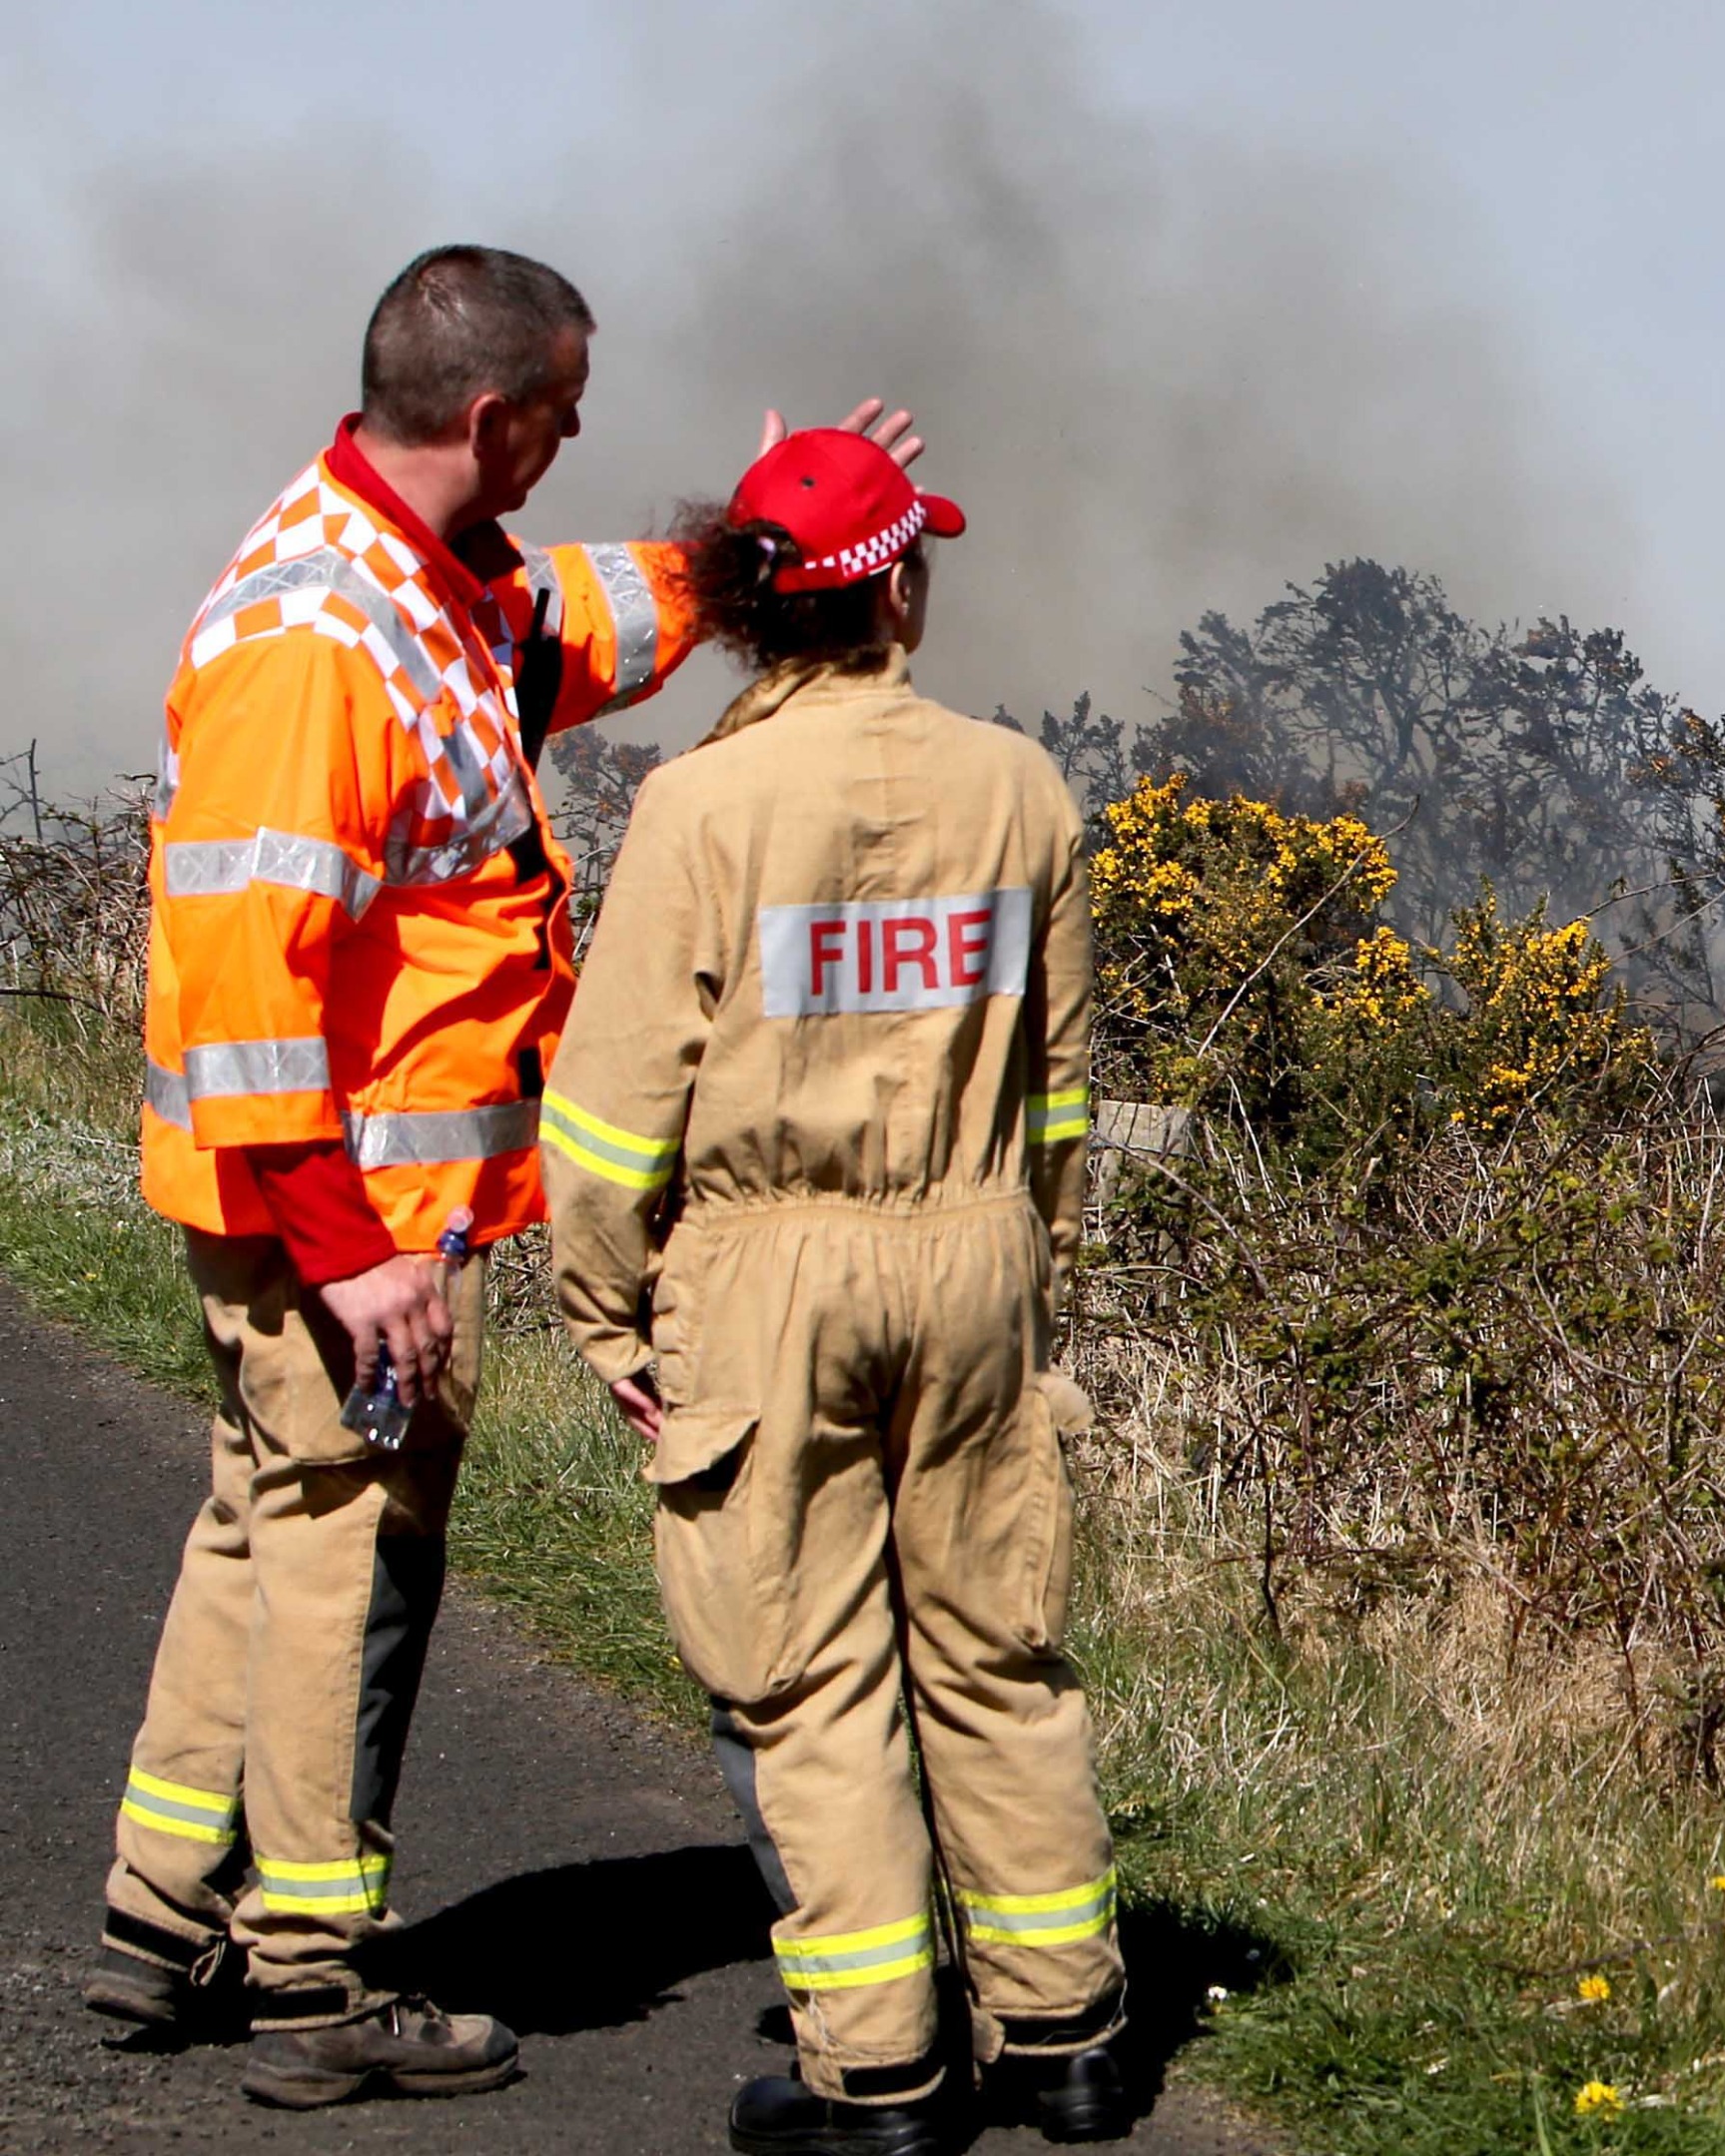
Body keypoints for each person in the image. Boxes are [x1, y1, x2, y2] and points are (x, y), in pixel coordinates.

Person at [97, 240, 923, 2110]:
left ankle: (161, 1921)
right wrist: (350, 1249)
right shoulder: (320, 638)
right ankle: (315, 1977)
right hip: (349, 1215)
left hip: (360, 1203)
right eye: (561, 409)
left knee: (258, 1519)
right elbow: (244, 986)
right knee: (338, 1554)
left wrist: (747, 561)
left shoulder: (422, 585)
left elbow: (557, 632)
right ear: (490, 415)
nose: (576, 436)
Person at [542, 424, 1123, 2156]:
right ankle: (1066, 2036)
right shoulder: (1022, 786)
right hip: (977, 1254)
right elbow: (1061, 1083)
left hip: (763, 1268)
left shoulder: (702, 805)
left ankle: (875, 2067)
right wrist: (1034, 1265)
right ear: (903, 594)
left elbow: (609, 1108)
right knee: (997, 1648)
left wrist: (607, 1312)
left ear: (747, 615)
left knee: (804, 1672)